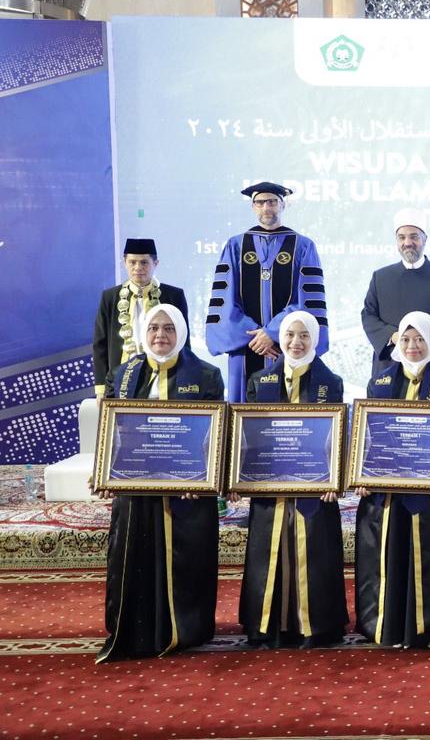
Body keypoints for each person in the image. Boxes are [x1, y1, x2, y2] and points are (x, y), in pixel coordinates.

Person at [96, 304, 224, 662]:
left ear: (181, 333)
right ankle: (135, 626)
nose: (161, 336)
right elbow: (111, 433)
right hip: (137, 493)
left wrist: (203, 476)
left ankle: (188, 628)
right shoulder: (122, 375)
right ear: (142, 333)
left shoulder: (207, 375)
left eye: (169, 328)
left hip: (188, 494)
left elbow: (215, 435)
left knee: (188, 559)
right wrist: (106, 471)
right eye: (153, 328)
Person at [234, 310, 349, 649]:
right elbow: (248, 435)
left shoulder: (332, 383)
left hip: (316, 490)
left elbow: (336, 437)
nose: (296, 342)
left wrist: (334, 479)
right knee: (268, 550)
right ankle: (267, 627)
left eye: (304, 336)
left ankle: (316, 627)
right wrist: (240, 477)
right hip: (270, 486)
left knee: (314, 550)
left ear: (314, 339)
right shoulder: (260, 381)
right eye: (290, 335)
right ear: (280, 339)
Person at [354, 311, 430, 649]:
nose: (413, 346)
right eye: (406, 339)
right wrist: (360, 474)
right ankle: (386, 625)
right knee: (388, 551)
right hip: (388, 490)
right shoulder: (381, 382)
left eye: (419, 339)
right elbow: (368, 435)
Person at [205, 182, 328, 402]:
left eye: (272, 202)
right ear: (253, 207)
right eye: (260, 202)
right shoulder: (236, 245)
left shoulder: (303, 246)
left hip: (289, 344)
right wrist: (255, 335)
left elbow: (308, 299)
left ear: (283, 205)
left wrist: (273, 333)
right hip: (246, 346)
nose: (266, 207)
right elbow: (224, 300)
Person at [361, 210, 430, 375]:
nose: (408, 242)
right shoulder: (380, 277)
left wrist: (424, 340)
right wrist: (395, 337)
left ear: (425, 239)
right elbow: (369, 315)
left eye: (414, 237)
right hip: (391, 363)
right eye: (402, 237)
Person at [92, 238, 188, 397]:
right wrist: (101, 389)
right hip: (119, 377)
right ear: (124, 262)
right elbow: (100, 344)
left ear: (155, 263)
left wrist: (184, 381)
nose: (138, 268)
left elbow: (183, 342)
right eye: (132, 262)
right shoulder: (110, 297)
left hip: (163, 378)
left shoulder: (174, 295)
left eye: (144, 262)